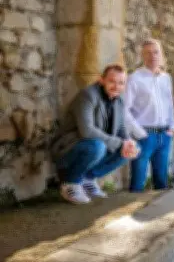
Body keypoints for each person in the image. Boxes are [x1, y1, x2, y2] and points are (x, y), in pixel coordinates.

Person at [50, 64, 141, 204]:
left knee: (133, 149)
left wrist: (128, 142)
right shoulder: (87, 95)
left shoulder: (119, 101)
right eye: (112, 81)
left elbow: (121, 129)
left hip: (95, 146)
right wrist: (120, 143)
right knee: (98, 146)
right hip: (68, 149)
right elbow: (87, 131)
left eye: (121, 83)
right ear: (101, 80)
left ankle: (87, 179)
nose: (116, 86)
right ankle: (70, 183)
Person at [125, 39, 174, 192]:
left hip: (165, 135)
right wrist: (140, 133)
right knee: (138, 180)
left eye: (156, 52)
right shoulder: (135, 78)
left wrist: (172, 127)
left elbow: (170, 104)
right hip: (144, 135)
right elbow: (124, 110)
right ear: (142, 55)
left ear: (161, 54)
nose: (152, 56)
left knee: (162, 181)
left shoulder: (166, 78)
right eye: (148, 53)